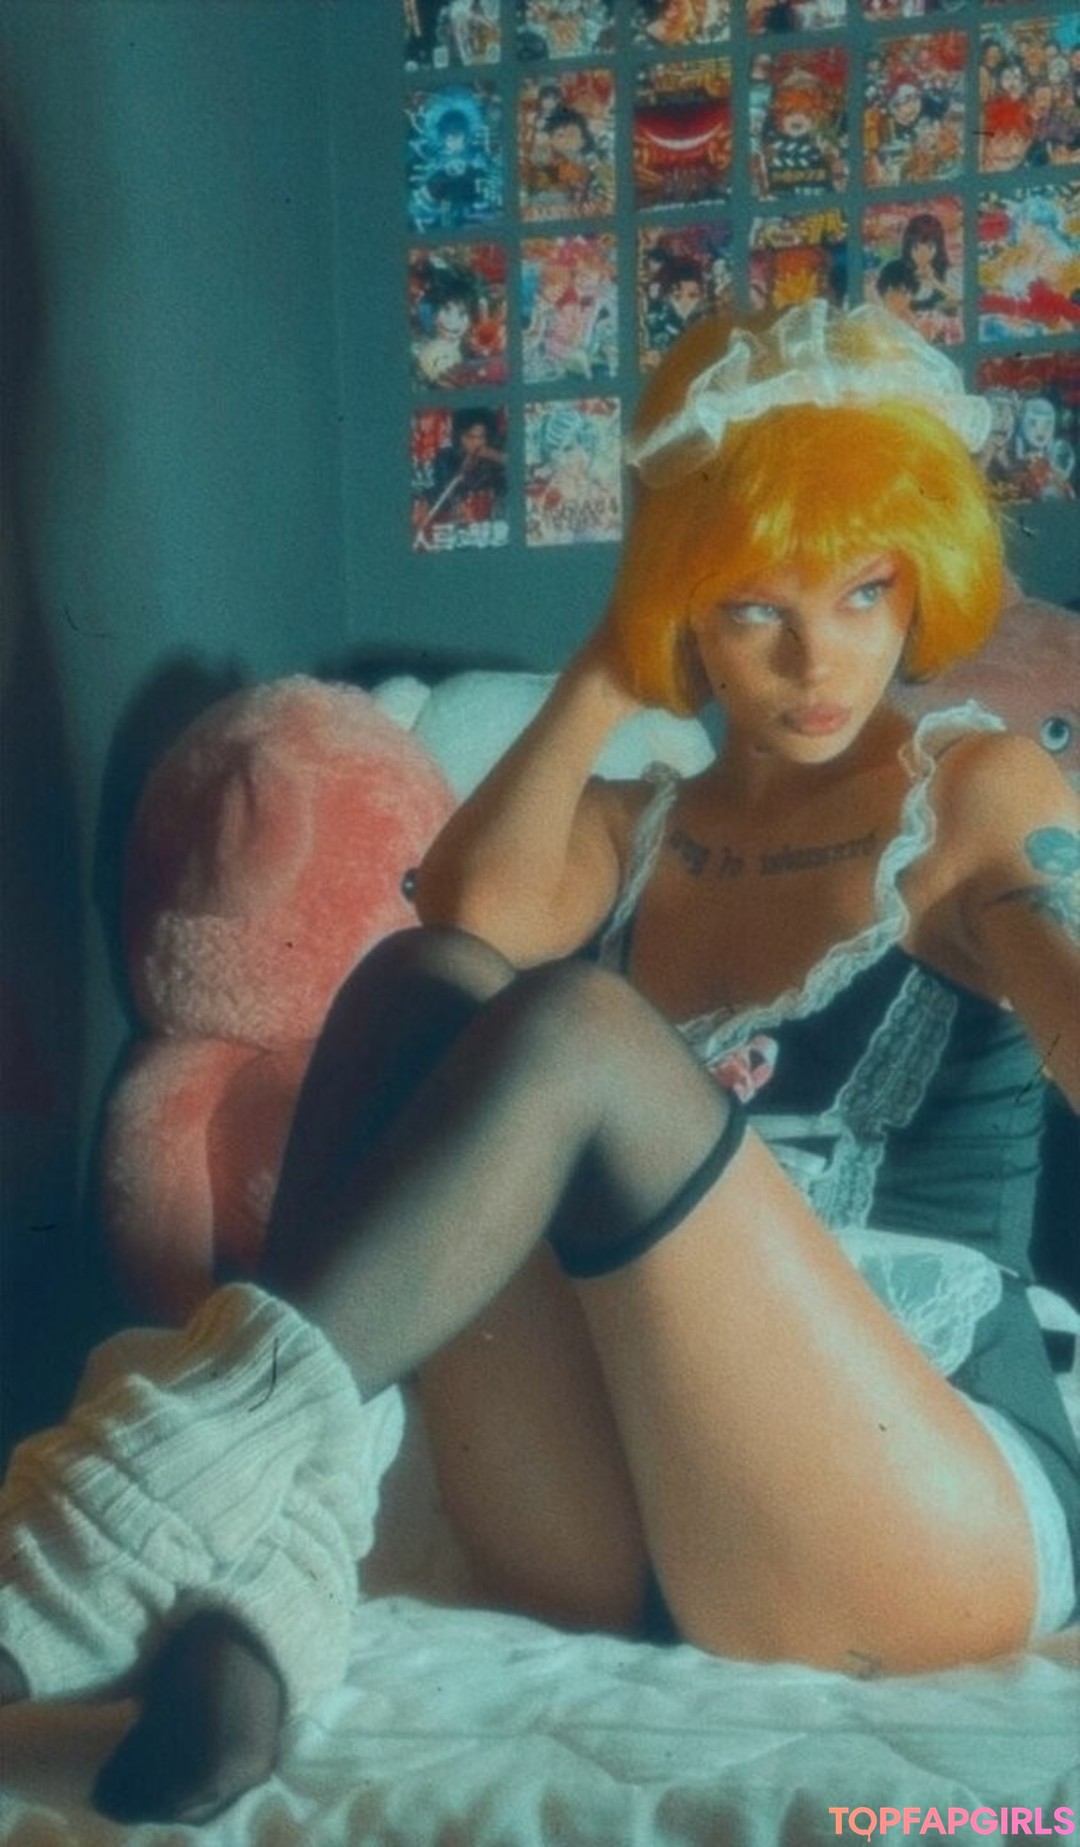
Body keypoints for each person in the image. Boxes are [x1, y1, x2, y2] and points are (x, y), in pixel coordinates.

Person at [2, 303, 1078, 1829]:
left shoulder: (980, 790)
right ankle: (259, 1606)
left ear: (925, 576)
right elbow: (462, 913)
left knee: (576, 1031)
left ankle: (136, 1523)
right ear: (687, 609)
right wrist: (614, 662)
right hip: (631, 1518)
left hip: (915, 1501)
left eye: (866, 589)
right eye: (753, 607)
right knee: (425, 985)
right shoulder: (637, 827)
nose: (820, 658)